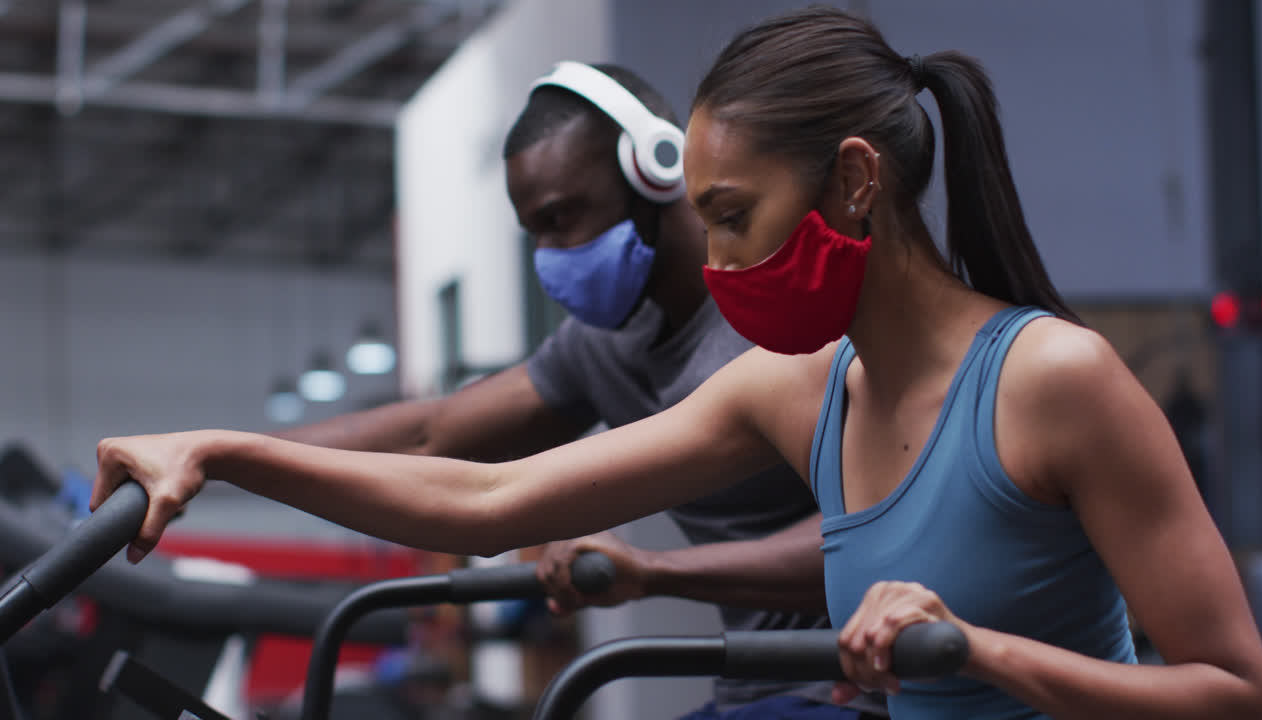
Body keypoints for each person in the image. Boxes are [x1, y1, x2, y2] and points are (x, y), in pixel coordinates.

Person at [92, 7, 1262, 719]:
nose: (712, 264)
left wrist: (980, 653)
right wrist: (225, 453)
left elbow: (1236, 695)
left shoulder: (1051, 382)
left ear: (854, 185)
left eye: (732, 215)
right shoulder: (795, 388)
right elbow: (484, 494)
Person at [268, 62, 862, 718]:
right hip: (753, 688)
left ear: (656, 168)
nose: (551, 257)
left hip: (864, 686)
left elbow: (873, 529)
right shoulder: (602, 346)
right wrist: (222, 458)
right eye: (536, 234)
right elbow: (432, 434)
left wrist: (649, 572)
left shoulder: (784, 319)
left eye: (563, 218)